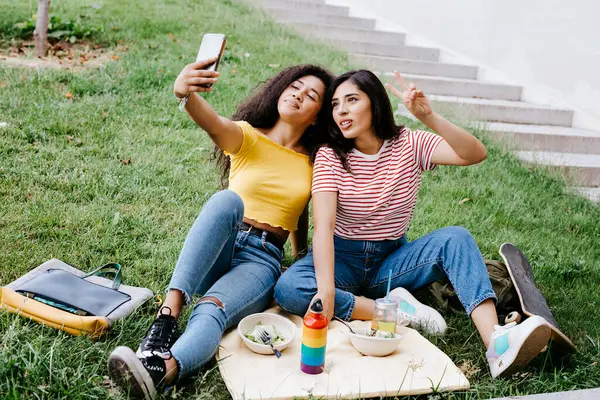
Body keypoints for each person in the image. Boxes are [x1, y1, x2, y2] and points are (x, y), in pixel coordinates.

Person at [274, 69, 551, 378]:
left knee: (455, 238)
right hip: (341, 259)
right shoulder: (330, 156)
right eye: (336, 104)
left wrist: (429, 117)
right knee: (289, 289)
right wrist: (326, 290)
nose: (342, 111)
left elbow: (474, 153)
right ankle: (386, 308)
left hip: (391, 260)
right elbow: (322, 226)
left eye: (352, 100)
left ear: (375, 102)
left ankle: (497, 345)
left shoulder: (409, 144)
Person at [107, 58, 334, 399]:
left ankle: (159, 372)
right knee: (227, 202)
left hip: (261, 261)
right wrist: (183, 91)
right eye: (295, 87)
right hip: (219, 245)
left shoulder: (315, 162)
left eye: (311, 95)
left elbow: (301, 214)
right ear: (280, 91)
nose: (299, 95)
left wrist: (300, 260)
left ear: (317, 115)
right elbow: (210, 122)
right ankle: (166, 320)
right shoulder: (247, 136)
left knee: (212, 309)